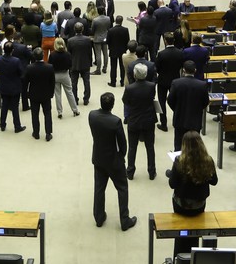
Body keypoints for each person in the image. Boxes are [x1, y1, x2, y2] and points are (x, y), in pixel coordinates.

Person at [89, 92, 137, 231]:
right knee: (122, 188)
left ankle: (99, 217)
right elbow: (122, 143)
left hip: (98, 157)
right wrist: (121, 156)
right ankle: (124, 220)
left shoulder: (92, 115)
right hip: (114, 161)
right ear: (113, 105)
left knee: (99, 189)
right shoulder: (115, 121)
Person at [168, 131, 218, 255]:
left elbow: (172, 184)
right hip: (199, 206)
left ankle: (178, 257)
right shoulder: (208, 160)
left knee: (181, 232)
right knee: (194, 233)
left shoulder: (179, 161)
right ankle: (194, 256)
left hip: (181, 205)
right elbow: (214, 181)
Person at [123, 63, 158, 180]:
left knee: (132, 147)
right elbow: (152, 98)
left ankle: (130, 171)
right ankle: (152, 171)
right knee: (150, 147)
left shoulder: (129, 88)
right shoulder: (151, 86)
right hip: (148, 119)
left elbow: (125, 101)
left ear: (134, 74)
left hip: (134, 120)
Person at [167, 61, 210, 151]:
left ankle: (179, 165)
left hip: (180, 120)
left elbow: (170, 100)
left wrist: (177, 109)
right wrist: (197, 109)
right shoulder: (202, 85)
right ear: (195, 70)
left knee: (178, 147)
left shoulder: (176, 83)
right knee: (194, 148)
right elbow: (205, 102)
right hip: (195, 121)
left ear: (183, 70)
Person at [155, 32, 184, 132]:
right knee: (176, 101)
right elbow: (181, 65)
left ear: (165, 41)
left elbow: (157, 68)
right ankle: (178, 121)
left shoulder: (161, 54)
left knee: (161, 102)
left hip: (162, 80)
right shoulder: (180, 53)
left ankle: (163, 124)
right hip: (175, 80)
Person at [23, 47, 55, 141]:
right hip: (46, 94)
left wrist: (26, 94)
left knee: (35, 114)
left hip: (34, 94)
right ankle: (48, 133)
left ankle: (36, 133)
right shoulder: (49, 67)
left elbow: (25, 83)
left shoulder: (29, 68)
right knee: (47, 114)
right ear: (43, 56)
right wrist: (51, 93)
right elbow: (52, 82)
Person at [0, 42, 26, 133]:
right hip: (14, 86)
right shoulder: (16, 61)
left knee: (4, 105)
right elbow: (21, 73)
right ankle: (17, 126)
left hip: (3, 85)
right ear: (12, 50)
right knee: (15, 107)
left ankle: (2, 125)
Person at [49, 37, 79, 118]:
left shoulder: (52, 54)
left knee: (57, 94)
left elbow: (50, 66)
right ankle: (75, 110)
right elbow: (70, 65)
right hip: (65, 74)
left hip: (55, 75)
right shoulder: (67, 54)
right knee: (69, 92)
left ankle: (60, 112)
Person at [68, 23, 94, 106]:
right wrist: (90, 62)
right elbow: (90, 52)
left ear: (74, 29)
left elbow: (69, 54)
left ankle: (75, 99)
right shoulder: (87, 39)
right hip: (85, 63)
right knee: (86, 82)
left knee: (73, 83)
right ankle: (86, 99)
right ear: (82, 29)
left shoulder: (70, 40)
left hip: (74, 64)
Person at [106, 16, 131, 87]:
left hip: (113, 50)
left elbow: (108, 41)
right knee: (122, 67)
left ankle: (113, 82)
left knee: (113, 67)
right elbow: (127, 41)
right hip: (122, 51)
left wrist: (110, 47)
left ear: (115, 21)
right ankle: (122, 81)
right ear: (122, 21)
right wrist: (125, 49)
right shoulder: (125, 30)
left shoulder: (110, 30)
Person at [91, 6, 111, 75]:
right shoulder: (108, 18)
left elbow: (92, 30)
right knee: (105, 54)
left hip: (97, 38)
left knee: (98, 55)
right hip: (105, 37)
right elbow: (109, 27)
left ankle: (98, 70)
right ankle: (105, 68)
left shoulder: (95, 20)